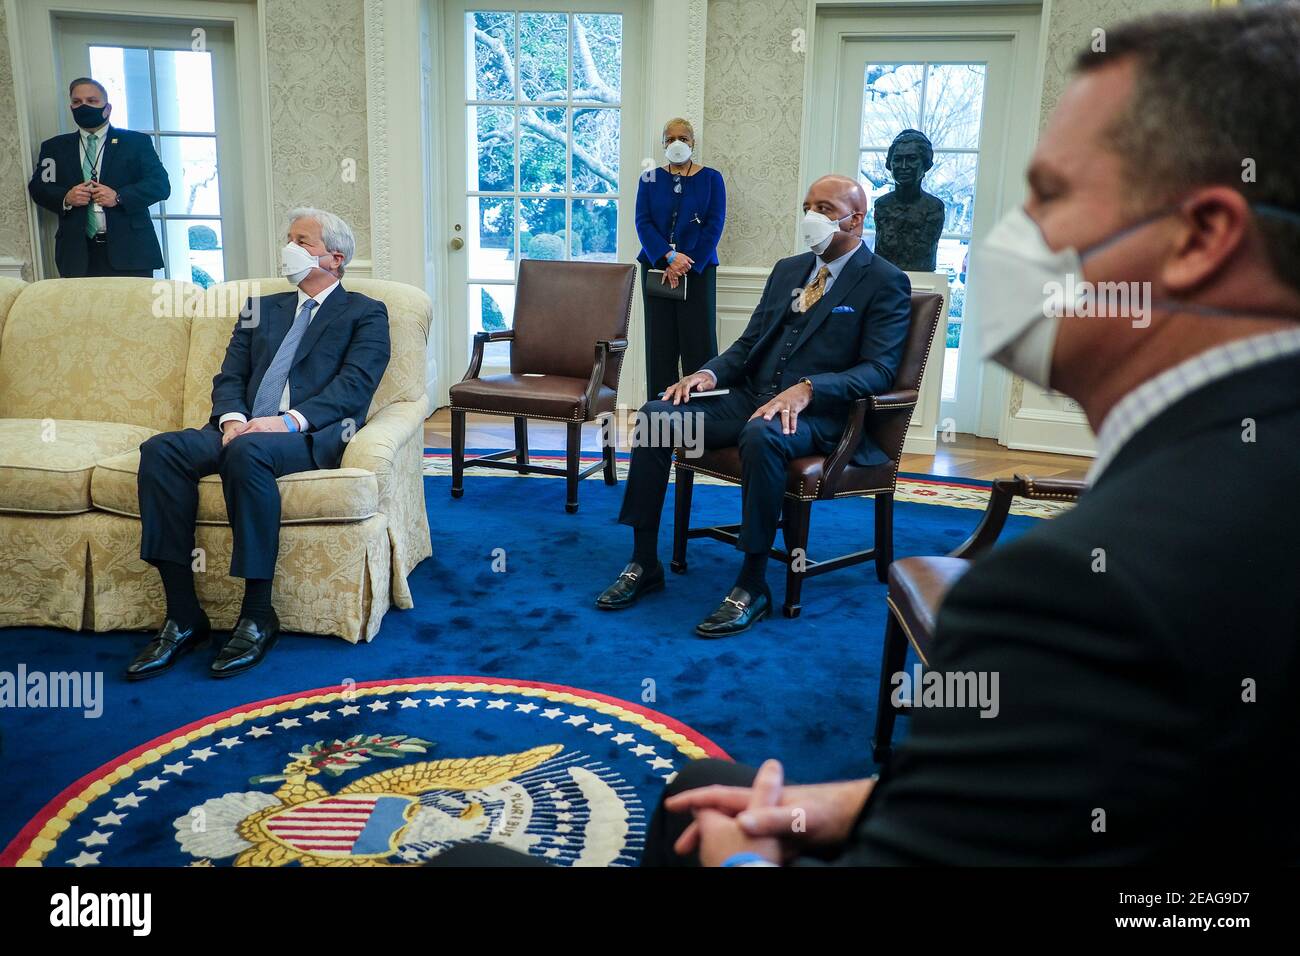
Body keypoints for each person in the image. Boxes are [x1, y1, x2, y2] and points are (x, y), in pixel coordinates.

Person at [641, 3, 1300, 866]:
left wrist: (736, 854)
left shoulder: (1078, 595)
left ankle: (756, 580)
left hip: (822, 420)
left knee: (688, 813)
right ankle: (642, 552)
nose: (1012, 234)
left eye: (1053, 194)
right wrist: (855, 803)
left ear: (1203, 238)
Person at [599, 173, 912, 637]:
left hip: (821, 418)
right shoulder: (789, 269)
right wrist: (708, 373)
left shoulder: (885, 281)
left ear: (856, 220)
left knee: (761, 433)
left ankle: (752, 584)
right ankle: (644, 562)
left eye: (825, 209)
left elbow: (879, 371)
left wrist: (809, 388)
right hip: (748, 398)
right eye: (808, 205)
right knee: (655, 418)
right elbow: (748, 345)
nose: (812, 217)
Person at [126, 209, 390, 680]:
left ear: (335, 257)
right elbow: (231, 375)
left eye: (301, 240)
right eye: (287, 237)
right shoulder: (260, 306)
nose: (288, 247)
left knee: (248, 453)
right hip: (241, 429)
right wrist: (231, 420)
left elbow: (354, 386)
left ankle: (258, 613)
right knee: (160, 450)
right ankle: (184, 616)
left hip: (305, 436)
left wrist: (284, 422)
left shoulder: (365, 312)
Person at [26, 77, 170, 278]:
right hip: (76, 254)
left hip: (131, 251)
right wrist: (66, 198)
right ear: (71, 107)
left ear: (107, 108)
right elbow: (39, 188)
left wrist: (119, 196)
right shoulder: (54, 147)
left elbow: (160, 185)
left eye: (92, 101)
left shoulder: (136, 143)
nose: (83, 106)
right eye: (77, 102)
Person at [635, 118, 726, 398]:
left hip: (697, 270)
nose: (677, 143)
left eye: (683, 138)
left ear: (693, 142)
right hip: (657, 268)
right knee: (660, 345)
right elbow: (643, 221)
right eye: (670, 138)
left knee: (699, 344)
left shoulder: (712, 178)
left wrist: (686, 262)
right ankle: (659, 417)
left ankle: (700, 420)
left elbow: (714, 225)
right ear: (663, 144)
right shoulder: (649, 177)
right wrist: (669, 257)